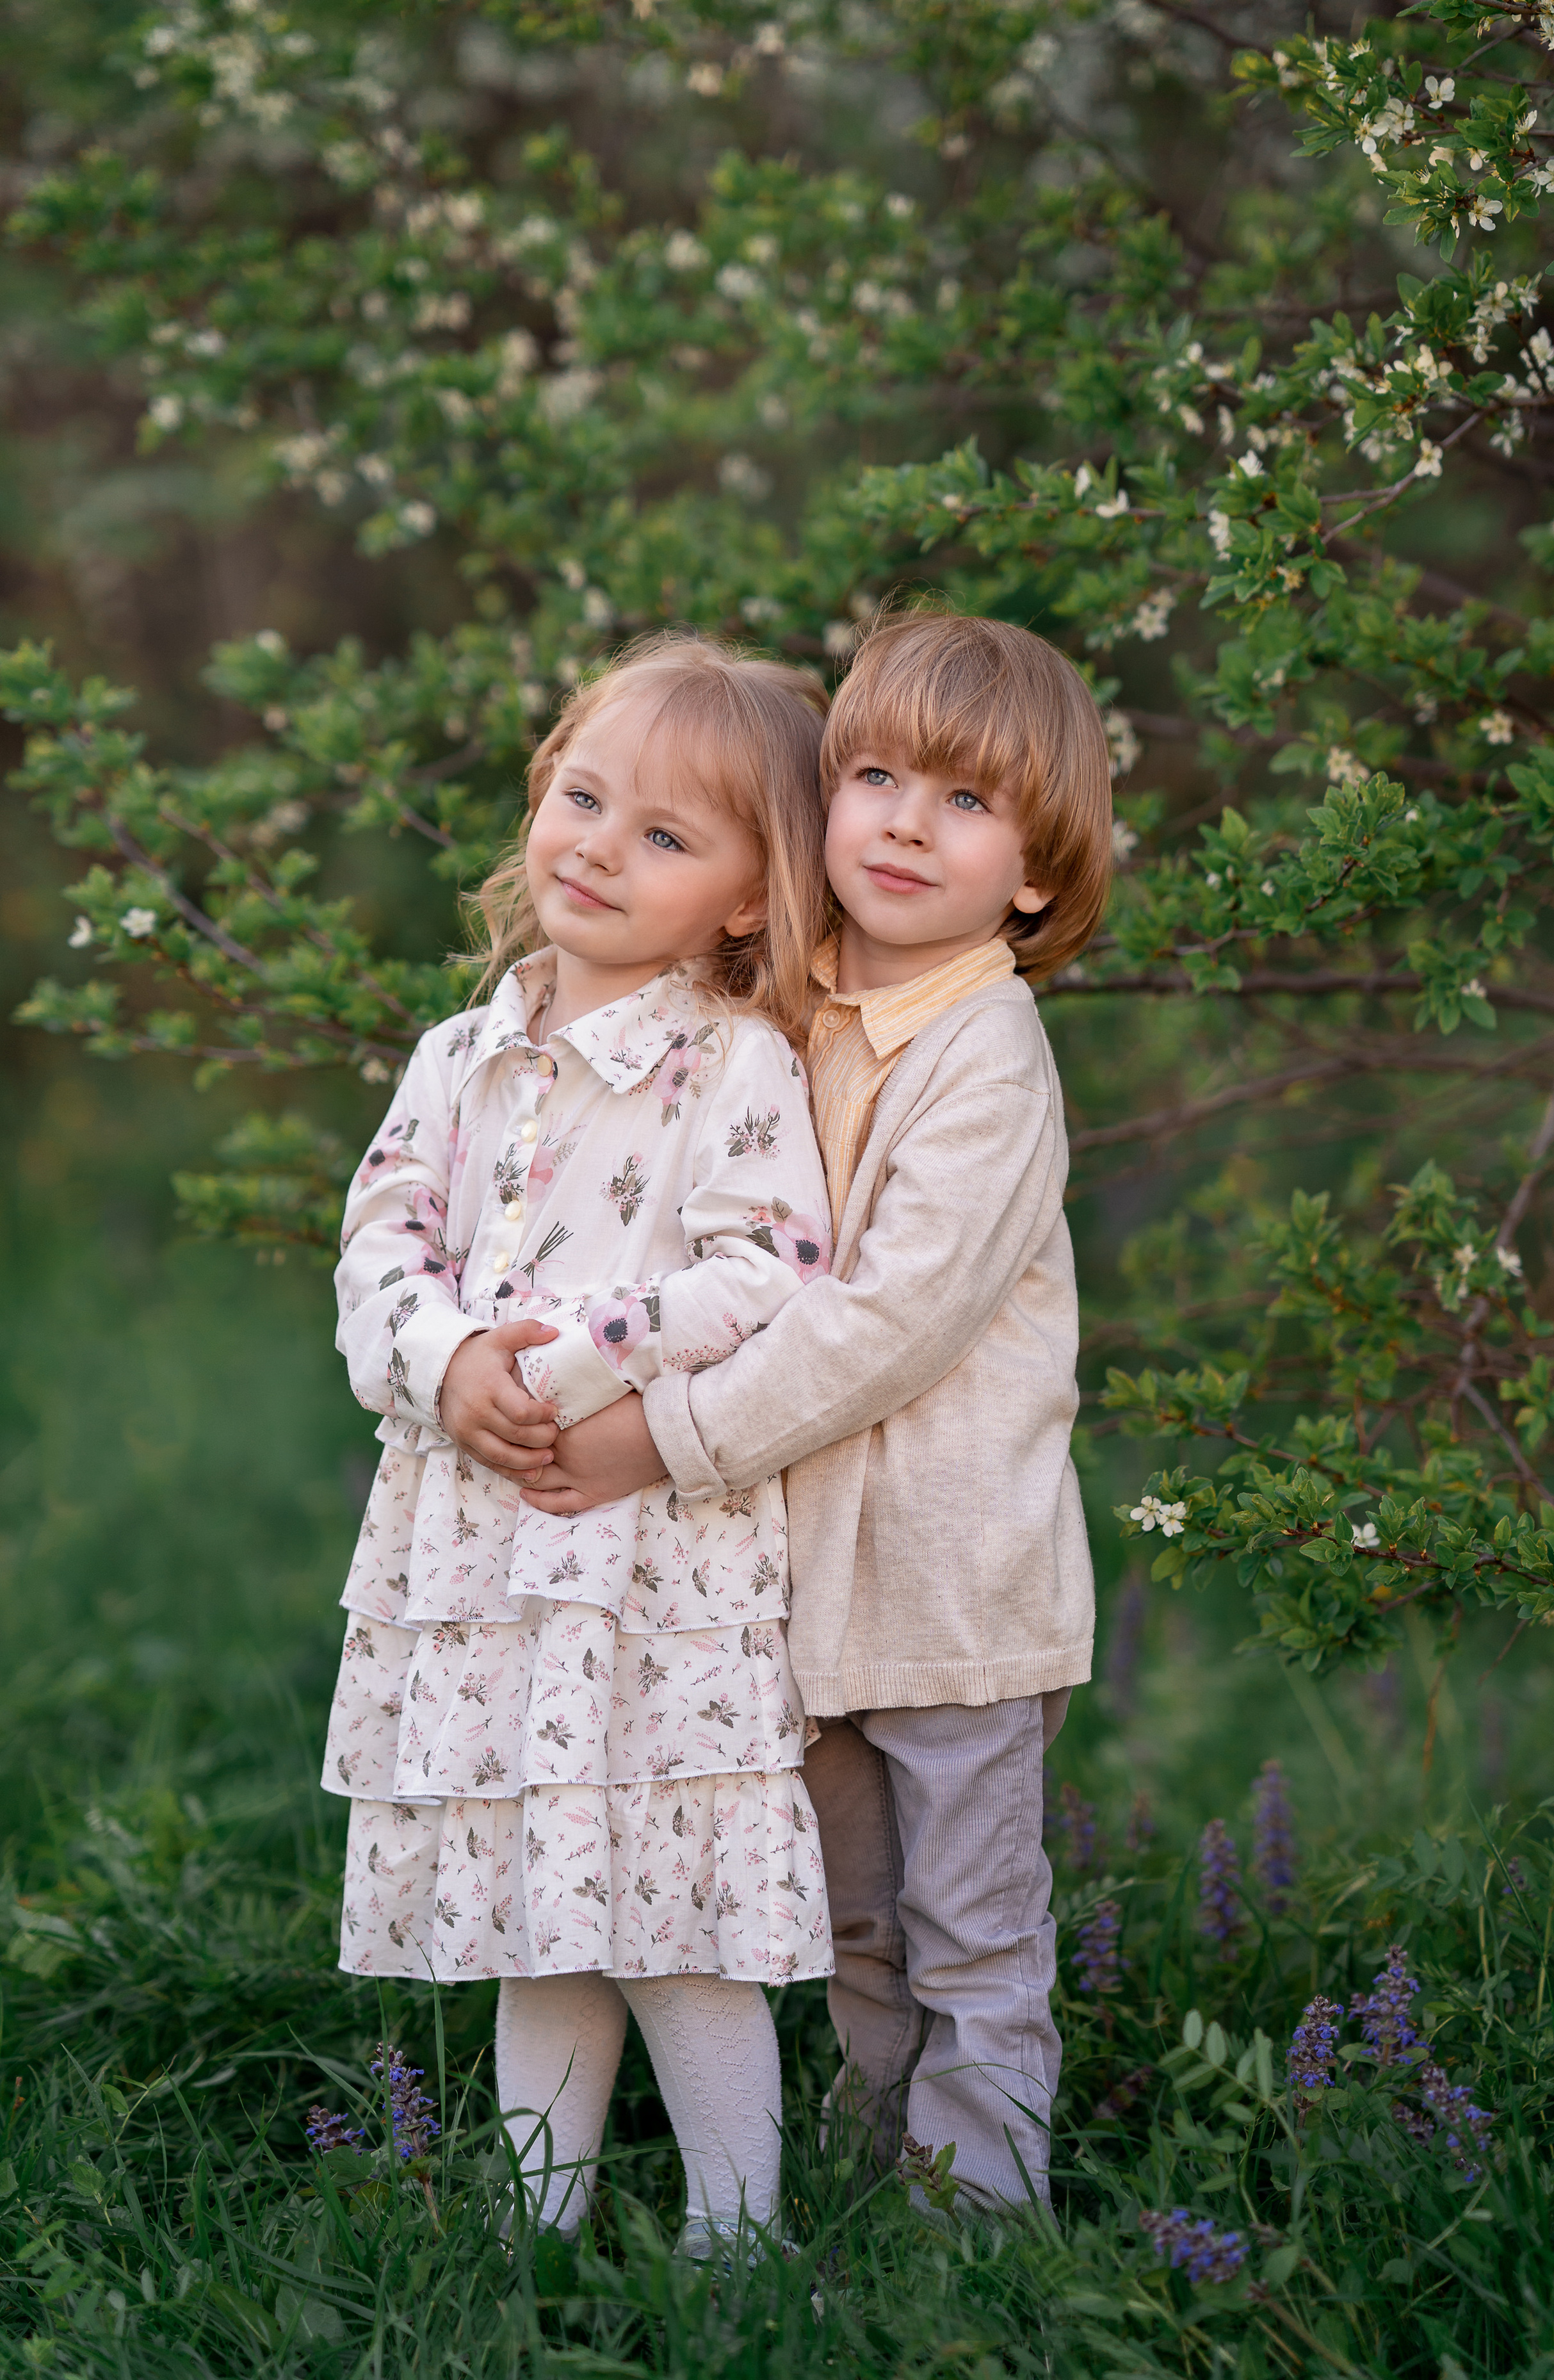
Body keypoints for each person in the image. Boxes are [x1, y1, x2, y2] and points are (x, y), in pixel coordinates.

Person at [523, 608, 1112, 2216]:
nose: (907, 825)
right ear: (822, 804)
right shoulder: (781, 997)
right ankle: (878, 2177)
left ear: (1039, 873)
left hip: (954, 1586)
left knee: (970, 1933)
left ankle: (983, 2227)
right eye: (873, 777)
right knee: (857, 1925)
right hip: (793, 1591)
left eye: (967, 803)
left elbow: (881, 1327)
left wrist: (654, 1438)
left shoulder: (985, 1060)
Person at [320, 633, 836, 2258]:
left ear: (748, 899)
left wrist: (582, 1348)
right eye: (585, 797)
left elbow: (774, 1268)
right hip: (477, 1538)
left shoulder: (731, 1062)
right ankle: (541, 2237)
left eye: (666, 836)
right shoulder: (460, 1053)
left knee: (667, 1891)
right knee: (541, 1893)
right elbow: (376, 1245)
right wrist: (446, 1351)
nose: (601, 848)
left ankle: (738, 2239)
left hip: (649, 1550)